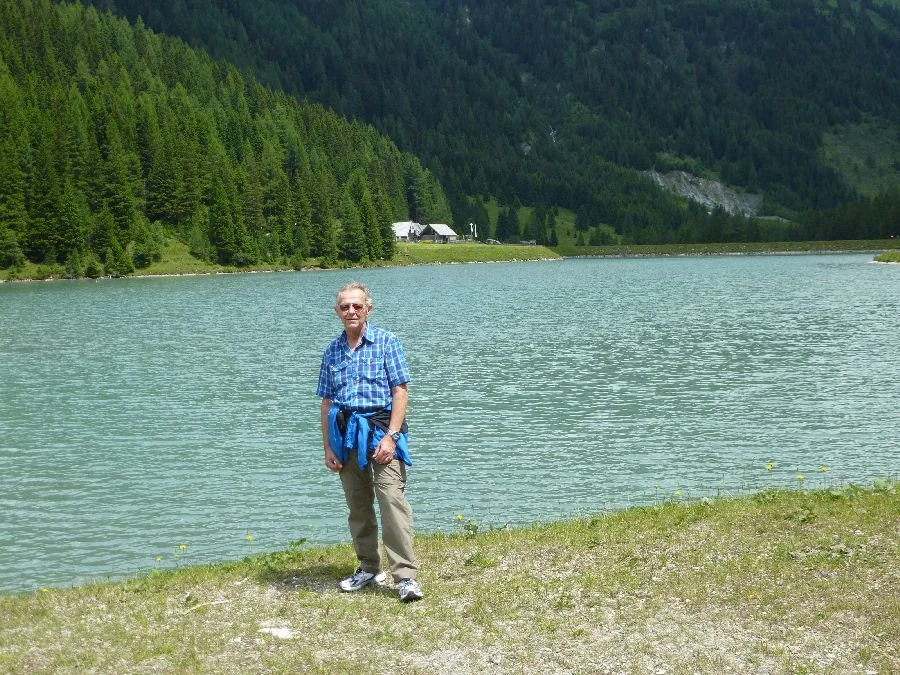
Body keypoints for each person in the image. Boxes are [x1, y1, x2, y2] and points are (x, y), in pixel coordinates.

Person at [316, 281, 423, 602]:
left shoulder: (388, 343)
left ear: (368, 309)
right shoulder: (332, 351)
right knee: (357, 504)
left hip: (382, 430)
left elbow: (400, 392)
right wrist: (328, 447)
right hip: (346, 434)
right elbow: (325, 403)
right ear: (337, 312)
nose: (351, 311)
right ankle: (367, 566)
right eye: (345, 306)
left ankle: (404, 576)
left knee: (391, 499)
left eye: (357, 306)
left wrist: (391, 436)